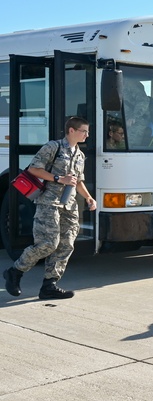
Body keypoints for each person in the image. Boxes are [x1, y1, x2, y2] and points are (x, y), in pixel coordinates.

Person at [4, 117, 98, 300]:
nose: (87, 135)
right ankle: (15, 271)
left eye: (87, 132)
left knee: (66, 244)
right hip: (49, 202)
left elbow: (78, 181)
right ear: (72, 130)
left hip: (69, 205)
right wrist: (58, 178)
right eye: (84, 131)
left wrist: (88, 197)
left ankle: (49, 285)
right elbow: (34, 169)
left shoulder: (79, 154)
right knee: (48, 243)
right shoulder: (53, 147)